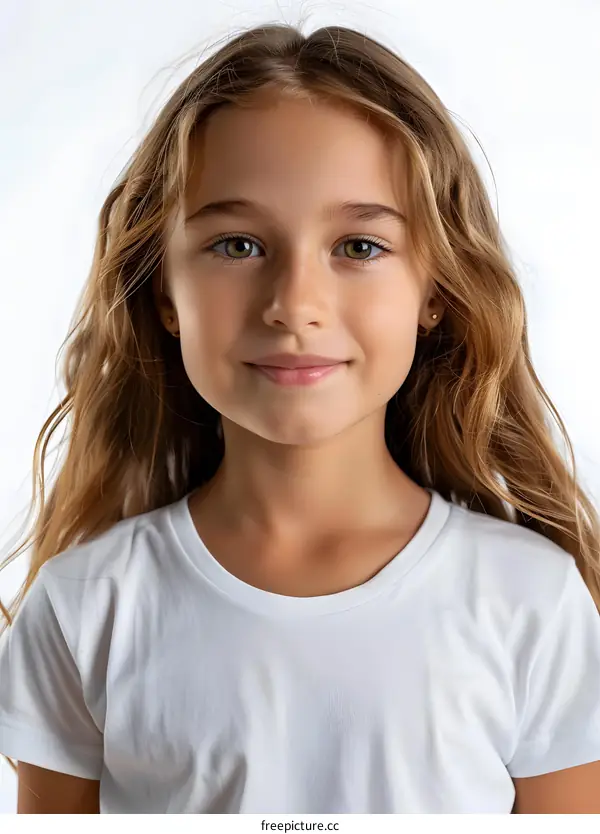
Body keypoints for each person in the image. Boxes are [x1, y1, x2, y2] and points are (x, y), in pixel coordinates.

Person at [1, 22, 599, 815]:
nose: (295, 307)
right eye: (239, 245)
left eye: (357, 245)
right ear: (163, 294)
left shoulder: (531, 601)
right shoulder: (86, 608)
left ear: (436, 293)